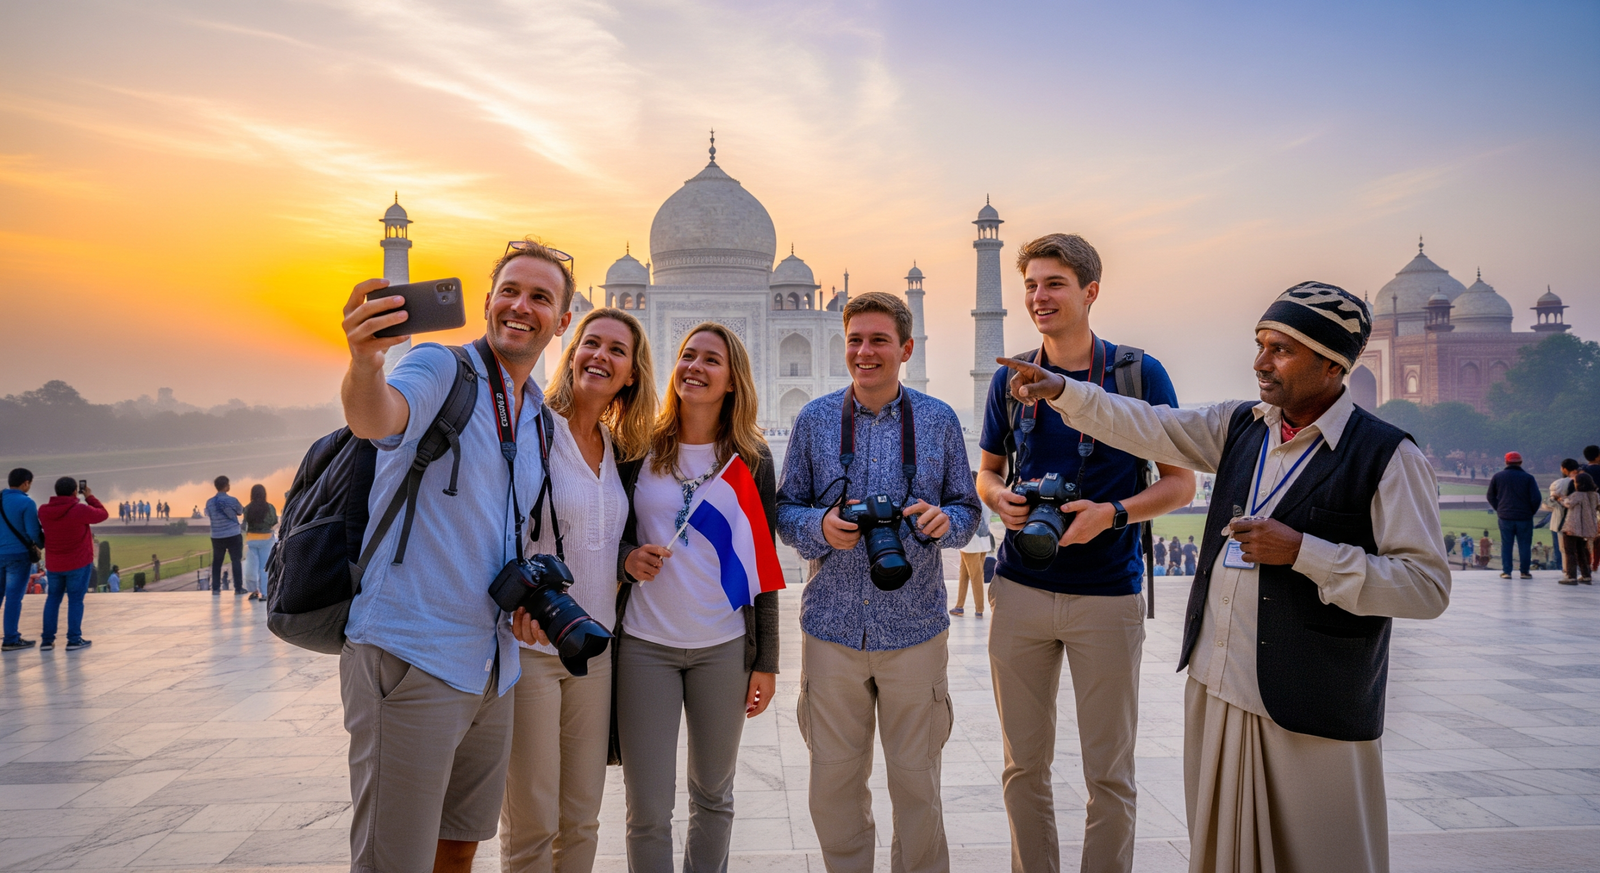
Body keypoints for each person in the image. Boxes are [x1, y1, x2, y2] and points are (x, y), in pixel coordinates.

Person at [999, 280, 1451, 873]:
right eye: (1261, 344)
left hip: (1312, 699)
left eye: (1282, 350)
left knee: (1320, 850)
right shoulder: (1244, 428)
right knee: (1225, 850)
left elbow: (1426, 586)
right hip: (1220, 683)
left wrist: (1304, 552)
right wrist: (1064, 390)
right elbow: (1148, 425)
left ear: (1332, 363)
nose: (1262, 363)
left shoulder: (1386, 455)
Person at [338, 238, 572, 872]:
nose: (522, 307)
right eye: (511, 292)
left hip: (492, 666)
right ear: (490, 300)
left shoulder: (539, 420)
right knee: (395, 859)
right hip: (411, 653)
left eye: (541, 298)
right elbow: (378, 417)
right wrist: (365, 362)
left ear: (563, 321)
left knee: (458, 848)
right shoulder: (441, 369)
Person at [974, 234, 1194, 873]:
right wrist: (1001, 500)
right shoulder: (1011, 377)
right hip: (1020, 587)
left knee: (1109, 771)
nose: (1039, 298)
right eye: (1032, 286)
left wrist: (1113, 513)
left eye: (1054, 284)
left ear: (1090, 291)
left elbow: (1181, 482)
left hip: (1107, 591)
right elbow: (987, 472)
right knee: (1023, 765)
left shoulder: (1136, 374)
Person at [778, 292, 980, 873]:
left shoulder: (938, 420)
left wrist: (947, 523)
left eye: (878, 341)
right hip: (832, 629)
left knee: (918, 784)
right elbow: (786, 509)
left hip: (914, 629)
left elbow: (969, 510)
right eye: (855, 341)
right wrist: (821, 525)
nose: (865, 353)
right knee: (834, 785)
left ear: (905, 349)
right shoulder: (814, 419)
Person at [614, 322, 780, 872]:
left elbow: (762, 568)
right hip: (645, 647)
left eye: (711, 360)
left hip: (723, 648)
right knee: (648, 808)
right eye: (688, 356)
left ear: (733, 380)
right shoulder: (636, 447)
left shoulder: (751, 460)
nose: (695, 368)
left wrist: (766, 662)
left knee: (713, 796)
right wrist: (626, 560)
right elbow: (607, 534)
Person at [499, 307, 657, 873]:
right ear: (572, 350)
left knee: (582, 816)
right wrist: (516, 602)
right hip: (533, 649)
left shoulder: (617, 450)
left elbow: (599, 540)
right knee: (532, 819)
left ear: (632, 373)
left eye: (617, 350)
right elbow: (496, 525)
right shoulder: (531, 428)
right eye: (592, 343)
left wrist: (627, 560)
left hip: (595, 646)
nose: (601, 357)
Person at [37, 477, 110, 651]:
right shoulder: (79, 510)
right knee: (75, 600)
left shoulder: (43, 511)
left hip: (55, 564)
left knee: (53, 599)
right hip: (78, 562)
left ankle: (47, 640)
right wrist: (90, 497)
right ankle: (73, 639)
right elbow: (103, 514)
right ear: (74, 491)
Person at [1, 468, 43, 651]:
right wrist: (40, 545)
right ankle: (11, 638)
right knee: (13, 598)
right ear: (26, 483)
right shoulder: (26, 503)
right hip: (18, 556)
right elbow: (33, 532)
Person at [1487, 451, 1541, 579]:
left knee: (1507, 544)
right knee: (1524, 545)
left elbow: (1490, 496)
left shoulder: (1498, 477)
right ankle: (1524, 571)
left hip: (1505, 516)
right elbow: (1536, 498)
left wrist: (1499, 508)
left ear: (1506, 462)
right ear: (1520, 462)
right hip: (1524, 517)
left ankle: (1507, 571)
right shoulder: (1528, 478)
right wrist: (1530, 511)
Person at [952, 477, 992, 618]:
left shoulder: (971, 499)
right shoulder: (985, 499)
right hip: (983, 541)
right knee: (964, 574)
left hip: (971, 544)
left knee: (976, 576)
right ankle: (959, 606)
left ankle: (979, 609)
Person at [205, 477, 245, 596]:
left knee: (217, 562)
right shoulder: (232, 500)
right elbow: (240, 511)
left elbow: (209, 514)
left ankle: (216, 588)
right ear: (226, 486)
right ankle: (238, 588)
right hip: (233, 534)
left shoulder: (210, 502)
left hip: (217, 535)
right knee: (236, 560)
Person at [1558, 471, 1597, 585]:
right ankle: (1586, 575)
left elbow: (1568, 503)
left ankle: (1571, 576)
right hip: (1586, 527)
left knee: (1570, 551)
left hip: (1572, 526)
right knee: (1582, 551)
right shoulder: (1595, 495)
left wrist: (1561, 499)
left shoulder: (1577, 495)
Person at [242, 485, 279, 603]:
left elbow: (245, 522)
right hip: (266, 540)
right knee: (264, 567)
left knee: (251, 567)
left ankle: (253, 590)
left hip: (251, 539)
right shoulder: (269, 507)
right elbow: (274, 521)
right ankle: (265, 593)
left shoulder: (247, 508)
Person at [1546, 459, 1579, 575]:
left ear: (1564, 469)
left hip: (1560, 519)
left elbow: (1551, 502)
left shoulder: (1558, 483)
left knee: (1562, 548)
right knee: (1579, 547)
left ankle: (1565, 569)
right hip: (1579, 520)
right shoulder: (1584, 481)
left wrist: (1556, 499)